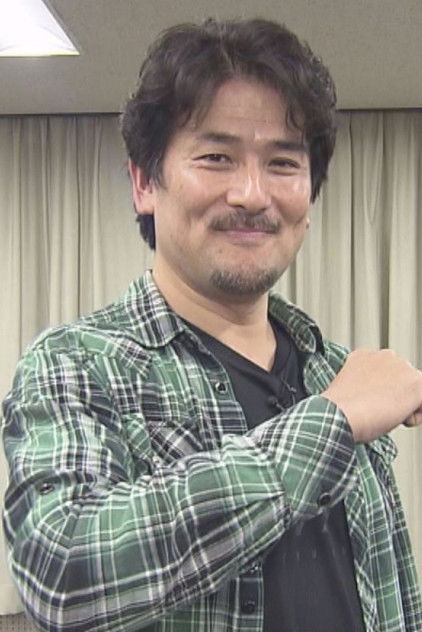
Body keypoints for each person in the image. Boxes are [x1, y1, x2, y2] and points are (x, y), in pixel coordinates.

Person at [2, 17, 422, 632]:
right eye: (217, 157)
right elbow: (63, 572)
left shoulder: (334, 369)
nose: (252, 194)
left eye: (283, 162)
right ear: (144, 183)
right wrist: (330, 424)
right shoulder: (76, 363)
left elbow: (391, 592)